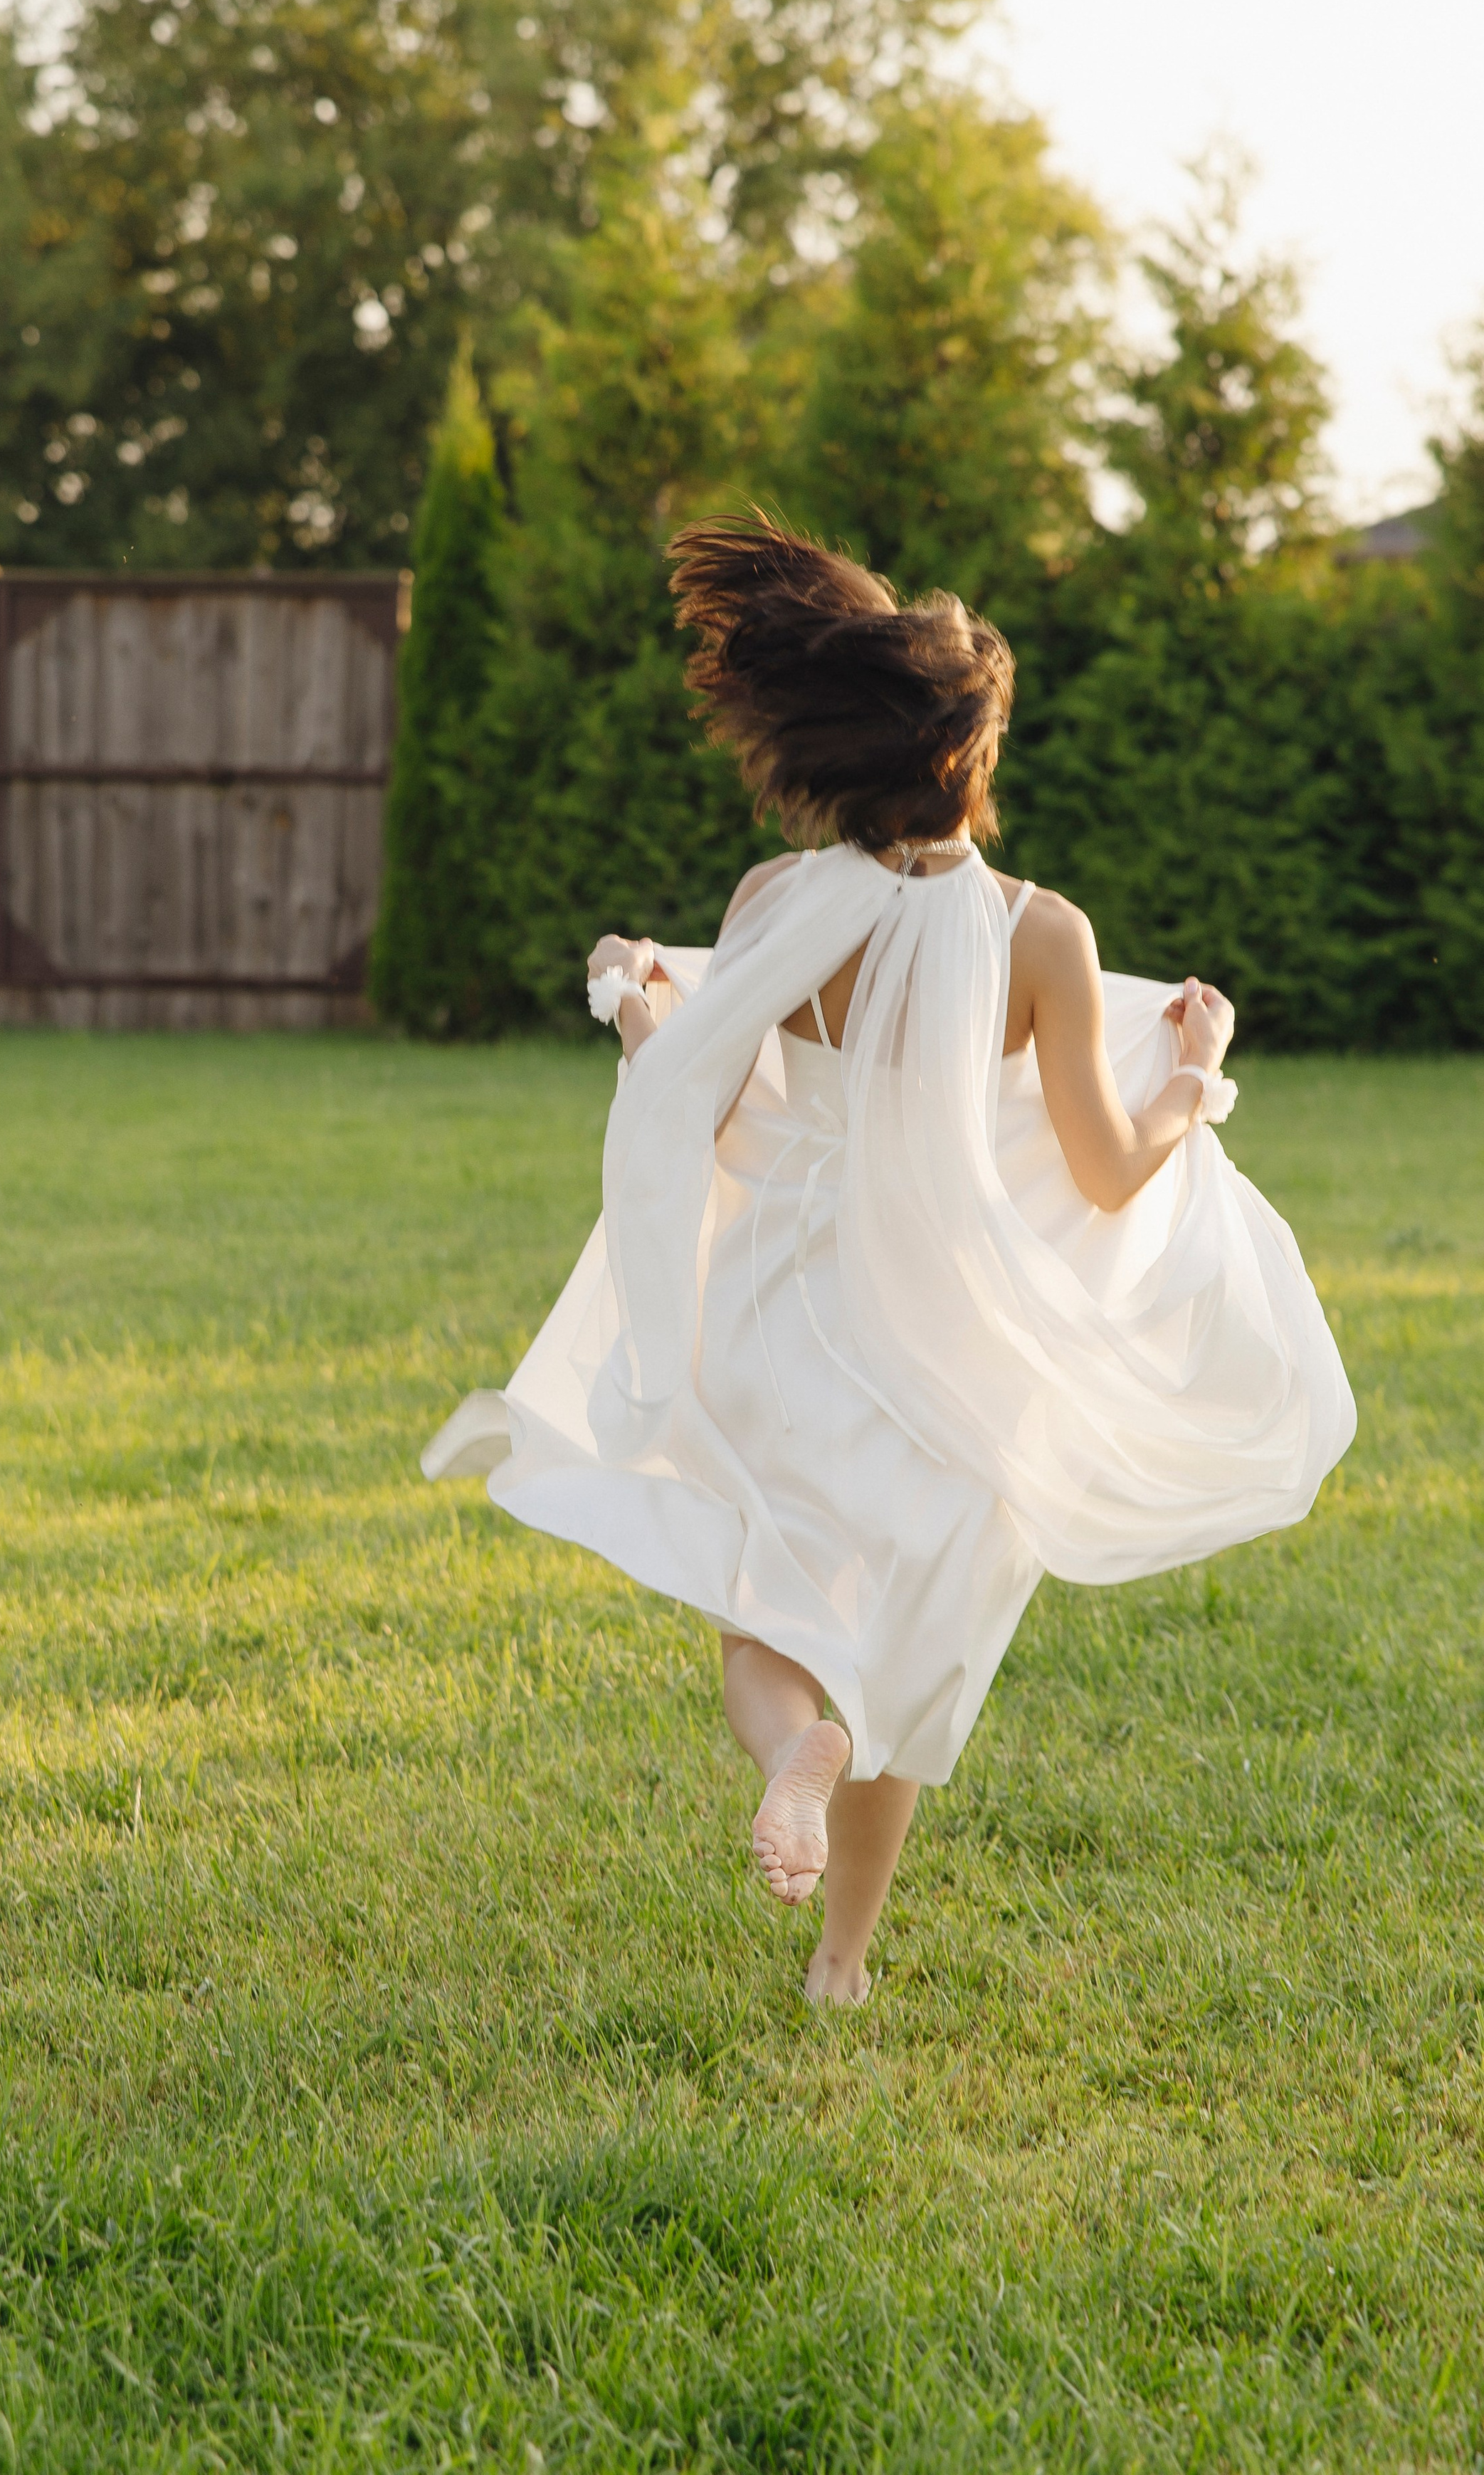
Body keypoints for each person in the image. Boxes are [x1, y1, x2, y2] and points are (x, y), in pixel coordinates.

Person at [474, 514, 1355, 2007]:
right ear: (968, 760)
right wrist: (1190, 1076)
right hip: (948, 1346)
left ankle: (785, 1751)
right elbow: (1103, 1166)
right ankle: (838, 1964)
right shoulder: (1041, 939)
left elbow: (699, 1091)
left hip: (774, 1322)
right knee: (898, 1653)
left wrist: (627, 993)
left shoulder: (771, 902)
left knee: (769, 1623)